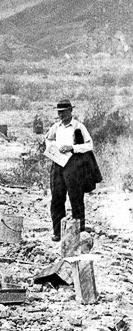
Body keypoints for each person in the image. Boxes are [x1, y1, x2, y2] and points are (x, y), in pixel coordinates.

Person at [45, 99, 100, 240]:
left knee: (76, 198)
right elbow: (48, 139)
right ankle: (57, 232)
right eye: (59, 112)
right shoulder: (55, 127)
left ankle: (79, 233)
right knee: (57, 198)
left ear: (70, 111)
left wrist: (72, 148)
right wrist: (53, 147)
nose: (61, 115)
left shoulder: (78, 126)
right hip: (58, 164)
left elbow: (89, 145)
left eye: (63, 112)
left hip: (74, 165)